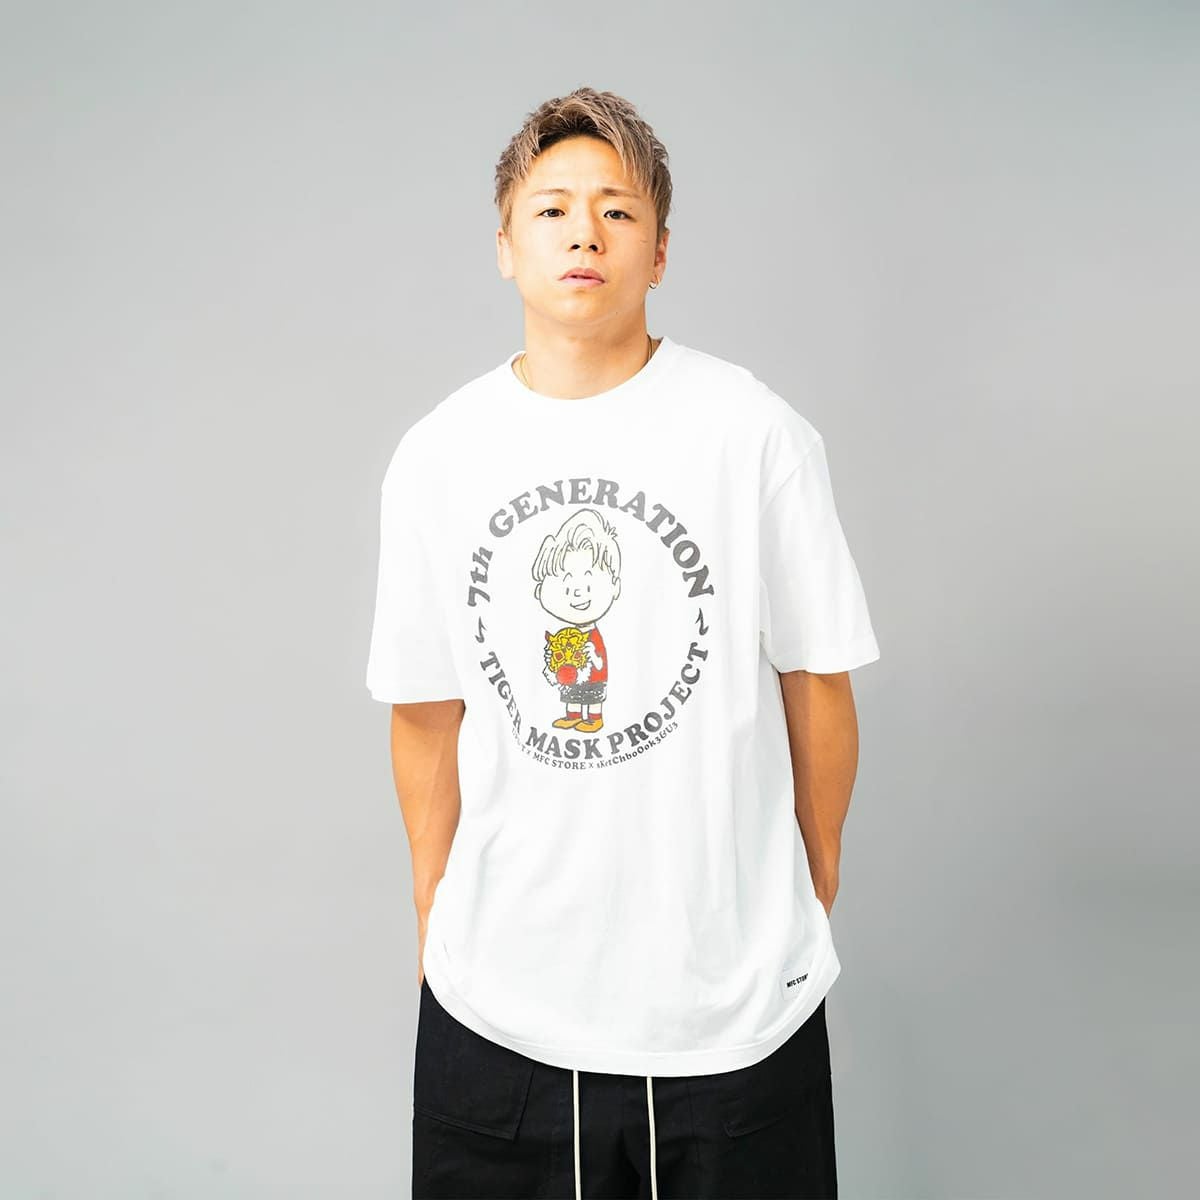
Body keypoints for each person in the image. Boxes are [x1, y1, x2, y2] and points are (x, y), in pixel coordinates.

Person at [366, 86, 880, 1200]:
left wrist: (808, 887)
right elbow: (424, 709)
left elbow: (818, 681)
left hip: (737, 1018)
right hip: (498, 1014)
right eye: (551, 210)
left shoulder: (754, 434)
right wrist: (435, 914)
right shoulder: (440, 456)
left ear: (660, 250)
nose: (584, 234)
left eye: (618, 210)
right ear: (505, 246)